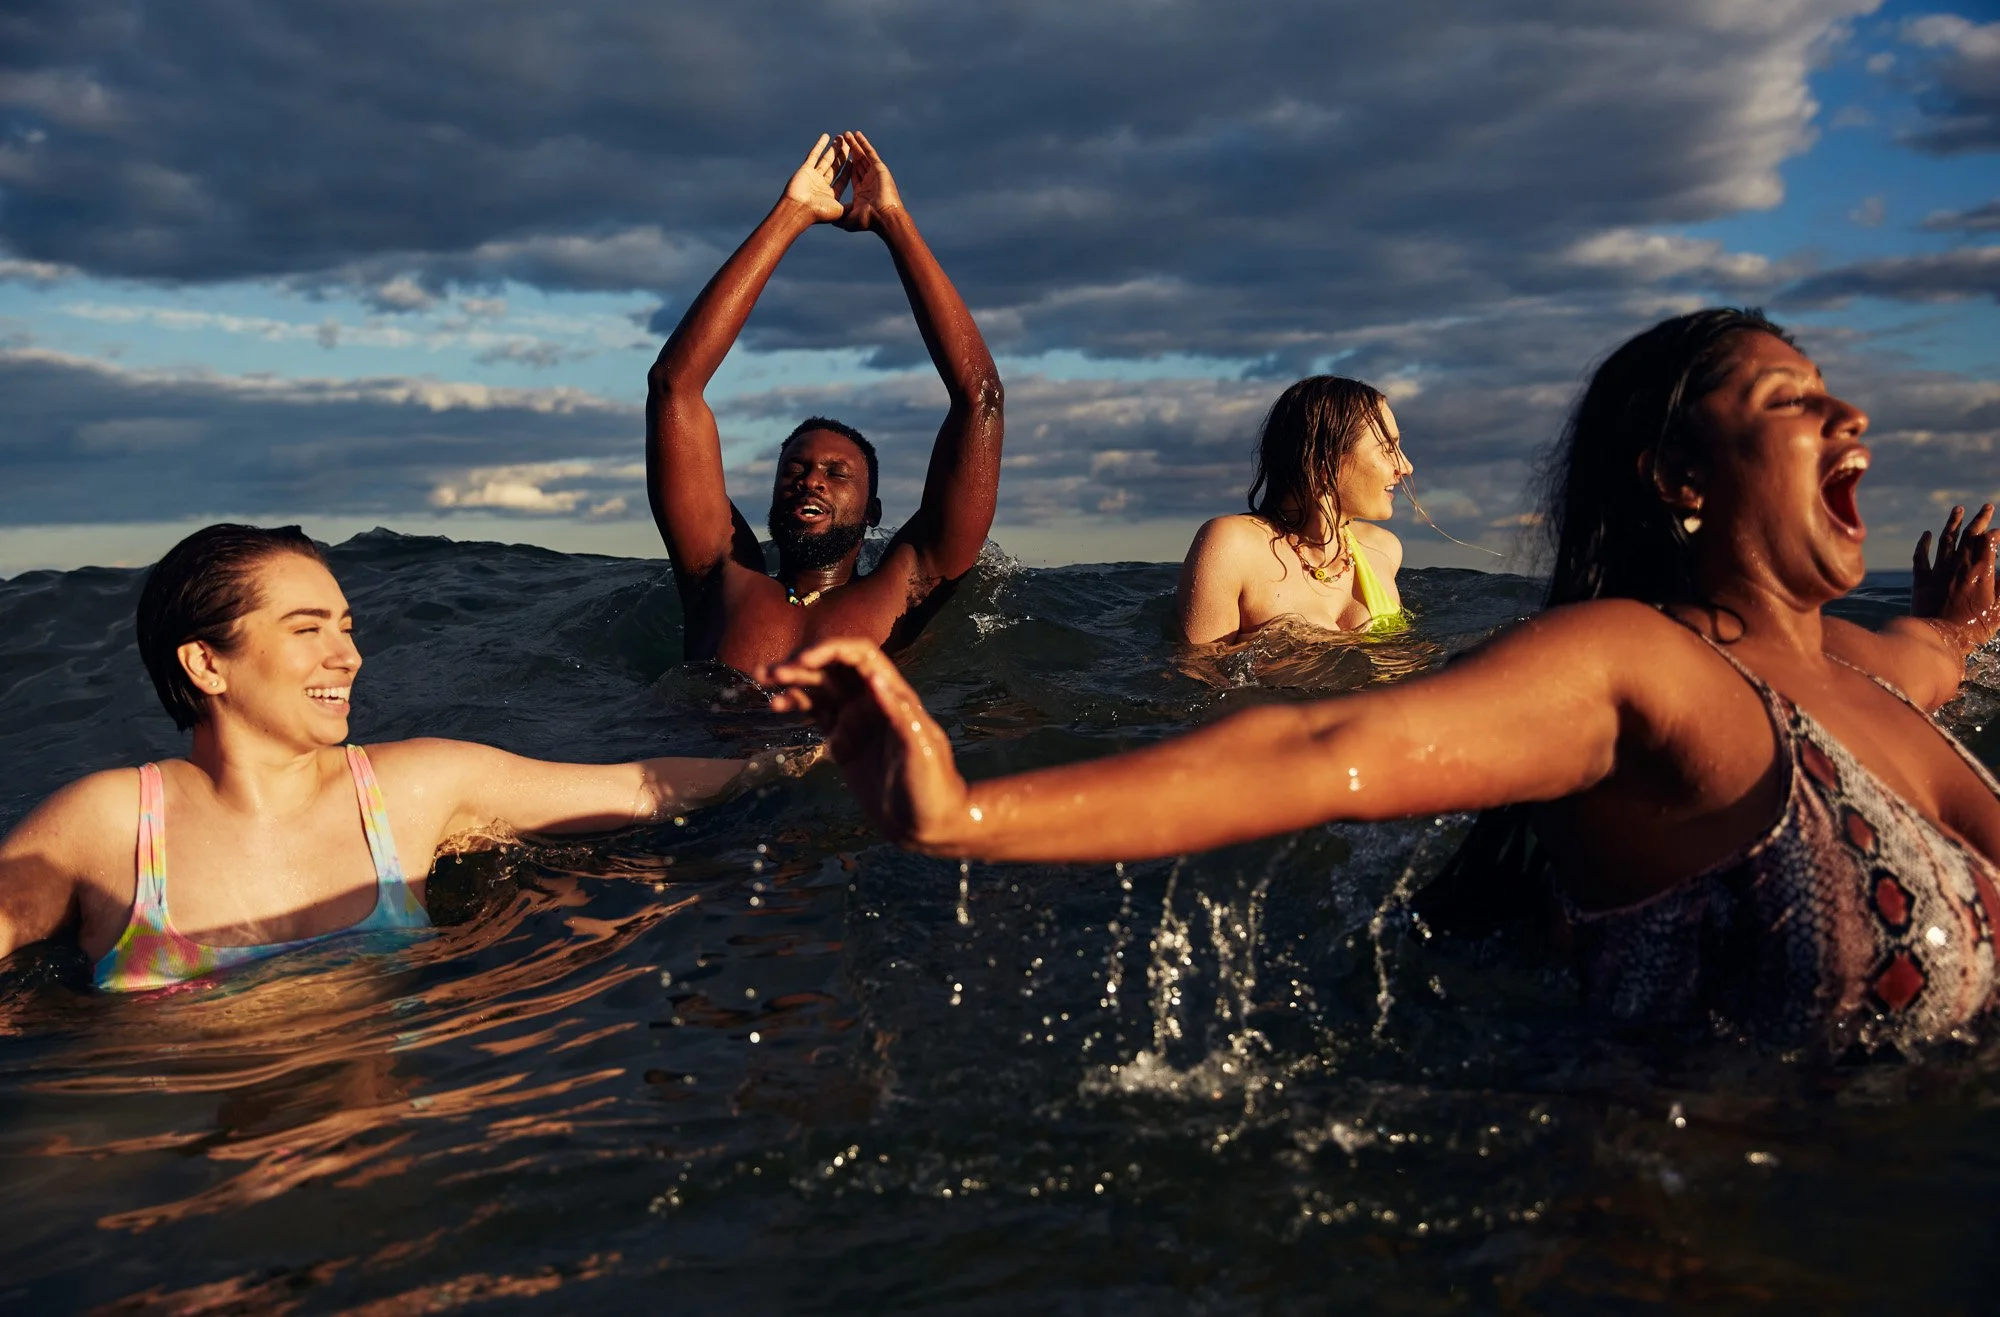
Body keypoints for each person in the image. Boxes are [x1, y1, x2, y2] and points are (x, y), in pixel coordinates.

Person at [765, 309, 2000, 1051]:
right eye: (1793, 400)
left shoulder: (1870, 671)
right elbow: (1312, 749)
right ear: (1678, 477)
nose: (1849, 417)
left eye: (1835, 389)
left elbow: (1938, 659)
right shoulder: (1638, 662)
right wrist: (965, 812)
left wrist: (1953, 623)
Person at [0, 524, 799, 992]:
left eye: (346, 627)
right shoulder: (109, 825)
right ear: (207, 665)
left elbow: (637, 788)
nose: (347, 655)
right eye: (308, 628)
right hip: (167, 1193)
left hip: (377, 1157)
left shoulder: (412, 788)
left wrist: (800, 765)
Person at [646, 131, 1004, 674]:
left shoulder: (908, 586)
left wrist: (892, 221)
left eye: (837, 474)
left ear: (874, 512)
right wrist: (793, 213)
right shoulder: (719, 578)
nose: (810, 480)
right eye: (796, 468)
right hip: (702, 758)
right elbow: (675, 387)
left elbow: (980, 400)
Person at [1176, 376, 1414, 640]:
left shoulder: (1384, 550)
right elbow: (1195, 674)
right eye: (1386, 449)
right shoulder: (1232, 547)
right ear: (1326, 462)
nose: (1405, 466)